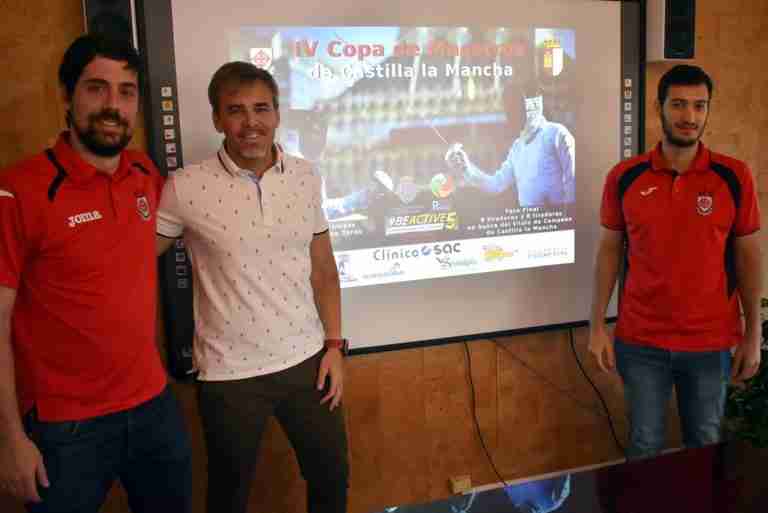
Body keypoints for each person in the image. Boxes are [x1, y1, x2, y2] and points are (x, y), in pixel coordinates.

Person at [0, 35, 192, 512]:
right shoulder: (18, 191)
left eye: (126, 92)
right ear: (66, 96)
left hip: (153, 407)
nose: (113, 105)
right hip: (64, 428)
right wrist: (9, 440)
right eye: (96, 88)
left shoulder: (144, 173)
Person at [156, 61, 349, 513]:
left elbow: (323, 269)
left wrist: (335, 347)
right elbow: (132, 263)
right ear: (217, 119)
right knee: (229, 496)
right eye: (235, 110)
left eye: (261, 109)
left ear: (277, 114)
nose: (251, 123)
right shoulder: (185, 187)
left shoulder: (306, 176)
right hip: (229, 376)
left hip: (308, 362)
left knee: (332, 479)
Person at [588, 65, 762, 460]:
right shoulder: (625, 176)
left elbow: (749, 258)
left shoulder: (734, 176)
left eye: (700, 106)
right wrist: (596, 324)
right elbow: (609, 251)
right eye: (679, 104)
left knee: (705, 445)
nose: (690, 116)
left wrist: (753, 335)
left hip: (710, 343)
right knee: (643, 446)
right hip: (641, 341)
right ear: (659, 108)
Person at [445, 79, 575, 207]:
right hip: (528, 219)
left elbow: (573, 182)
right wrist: (465, 167)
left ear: (532, 105)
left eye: (514, 107)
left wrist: (566, 216)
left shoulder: (556, 133)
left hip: (558, 218)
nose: (510, 115)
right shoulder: (517, 148)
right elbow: (495, 185)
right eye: (508, 108)